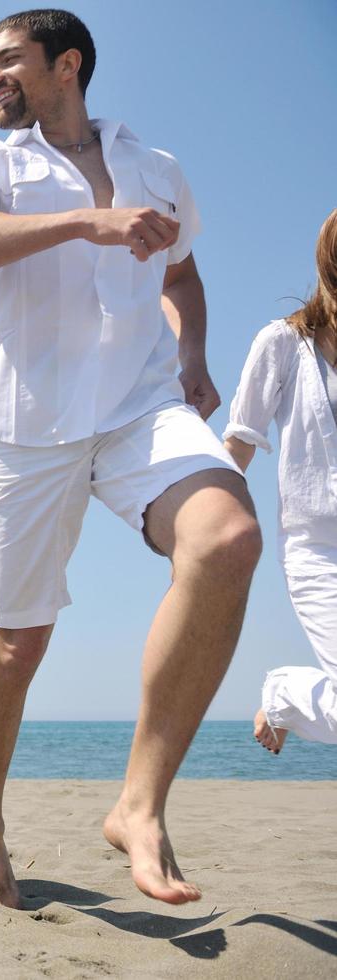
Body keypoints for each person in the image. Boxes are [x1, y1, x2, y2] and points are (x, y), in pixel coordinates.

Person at [0, 9, 261, 907]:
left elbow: (179, 274)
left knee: (227, 539)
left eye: (7, 61)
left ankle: (138, 807)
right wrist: (84, 223)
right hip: (21, 430)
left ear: (66, 65)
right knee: (17, 646)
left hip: (140, 405)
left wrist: (192, 357)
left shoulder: (157, 169)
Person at [225, 208, 337, 752]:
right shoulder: (283, 345)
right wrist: (203, 533)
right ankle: (285, 692)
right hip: (317, 550)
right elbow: (237, 445)